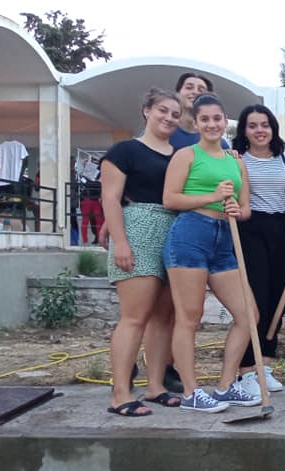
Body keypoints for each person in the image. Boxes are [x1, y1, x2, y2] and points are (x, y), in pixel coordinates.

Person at [162, 93, 258, 413]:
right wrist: (212, 196)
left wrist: (236, 210)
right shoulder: (186, 155)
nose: (212, 124)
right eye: (205, 119)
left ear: (225, 120)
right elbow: (170, 199)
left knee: (248, 315)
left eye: (217, 118)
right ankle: (191, 392)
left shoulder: (236, 161)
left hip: (224, 239)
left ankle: (225, 386)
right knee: (190, 317)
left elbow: (246, 208)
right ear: (195, 122)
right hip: (190, 235)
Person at [99, 88, 183, 417]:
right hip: (138, 230)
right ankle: (120, 393)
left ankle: (155, 386)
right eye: (163, 110)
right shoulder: (124, 151)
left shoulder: (180, 155)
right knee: (134, 317)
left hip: (173, 232)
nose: (169, 118)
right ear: (147, 110)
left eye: (175, 114)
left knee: (164, 317)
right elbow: (110, 198)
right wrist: (120, 241)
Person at [230, 104, 285, 398]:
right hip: (251, 229)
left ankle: (265, 366)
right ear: (244, 131)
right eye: (253, 125)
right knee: (255, 300)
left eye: (265, 125)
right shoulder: (237, 159)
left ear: (273, 128)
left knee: (276, 299)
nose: (260, 130)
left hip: (281, 230)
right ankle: (247, 370)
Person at [170, 72, 230, 151]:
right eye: (189, 87)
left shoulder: (220, 145)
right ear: (177, 94)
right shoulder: (164, 132)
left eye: (201, 90)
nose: (195, 92)